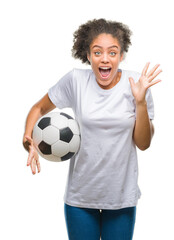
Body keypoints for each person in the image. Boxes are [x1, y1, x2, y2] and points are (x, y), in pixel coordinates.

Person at [23, 19, 162, 240]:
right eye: (97, 52)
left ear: (121, 56)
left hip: (120, 197)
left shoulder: (137, 84)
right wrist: (28, 139)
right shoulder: (76, 80)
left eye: (112, 52)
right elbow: (39, 108)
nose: (105, 59)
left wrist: (140, 102)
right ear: (88, 55)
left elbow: (143, 144)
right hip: (81, 197)